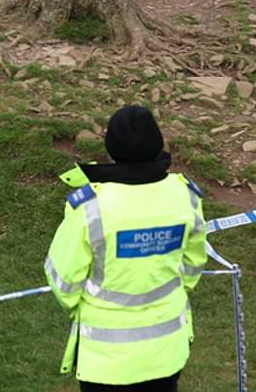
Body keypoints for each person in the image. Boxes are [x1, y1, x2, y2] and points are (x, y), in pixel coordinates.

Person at [44, 105, 208, 391]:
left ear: (111, 149)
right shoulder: (186, 196)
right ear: (158, 143)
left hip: (105, 364)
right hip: (166, 354)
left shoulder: (90, 207)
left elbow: (64, 280)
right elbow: (193, 264)